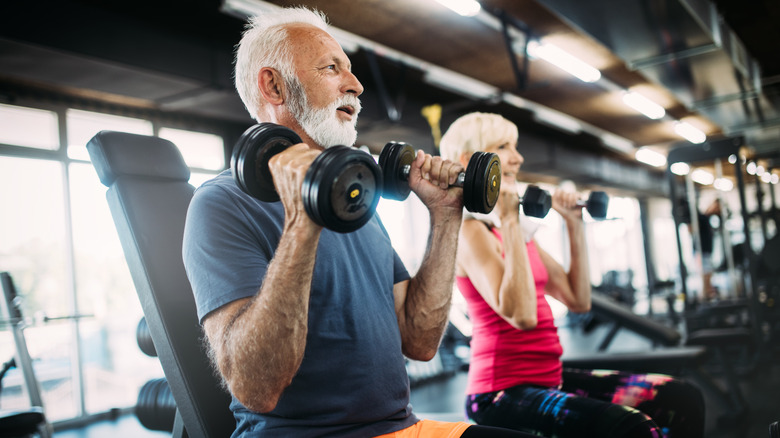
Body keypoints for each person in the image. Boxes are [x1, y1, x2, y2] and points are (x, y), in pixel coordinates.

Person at [182, 7, 534, 438]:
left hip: (401, 428)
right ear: (274, 85)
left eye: (349, 70)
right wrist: (302, 223)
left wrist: (445, 216)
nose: (356, 85)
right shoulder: (220, 204)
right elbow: (256, 388)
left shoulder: (356, 201)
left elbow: (420, 342)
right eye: (332, 68)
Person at [439, 112, 706, 438]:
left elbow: (577, 299)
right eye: (504, 146)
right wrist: (509, 220)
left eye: (516, 146)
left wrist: (573, 223)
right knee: (634, 428)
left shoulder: (516, 233)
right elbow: (521, 316)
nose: (518, 157)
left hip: (548, 376)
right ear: (470, 160)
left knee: (681, 397)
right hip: (500, 392)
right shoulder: (471, 231)